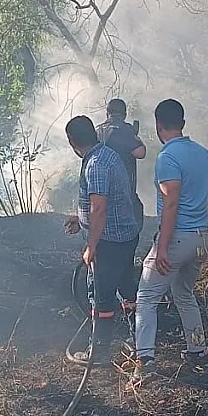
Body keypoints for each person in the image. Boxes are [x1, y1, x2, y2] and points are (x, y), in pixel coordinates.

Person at [132, 98, 208, 387]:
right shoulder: (202, 152)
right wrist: (198, 215)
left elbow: (170, 202)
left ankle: (145, 362)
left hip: (177, 239)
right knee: (184, 293)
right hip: (201, 239)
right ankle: (198, 352)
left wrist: (162, 246)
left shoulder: (167, 158)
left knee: (146, 297)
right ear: (182, 124)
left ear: (159, 126)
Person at [62, 114, 140, 366]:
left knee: (101, 295)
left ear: (72, 142)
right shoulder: (107, 155)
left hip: (109, 241)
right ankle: (137, 339)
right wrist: (81, 219)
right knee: (127, 288)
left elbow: (100, 208)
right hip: (125, 235)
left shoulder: (95, 164)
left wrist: (92, 246)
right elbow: (104, 201)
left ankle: (99, 351)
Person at [97, 98, 147, 233]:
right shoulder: (126, 130)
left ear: (107, 113)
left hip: (100, 188)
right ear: (124, 114)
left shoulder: (98, 130)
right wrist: (137, 138)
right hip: (124, 190)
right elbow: (140, 153)